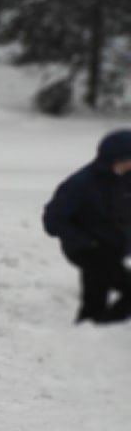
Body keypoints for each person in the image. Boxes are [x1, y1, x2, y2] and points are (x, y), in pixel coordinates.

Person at [42, 128, 131, 324]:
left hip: (113, 248)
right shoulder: (81, 184)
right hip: (86, 249)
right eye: (125, 160)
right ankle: (101, 332)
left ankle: (92, 333)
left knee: (96, 298)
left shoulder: (126, 179)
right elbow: (52, 221)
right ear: (110, 159)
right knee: (107, 293)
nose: (129, 165)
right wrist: (87, 242)